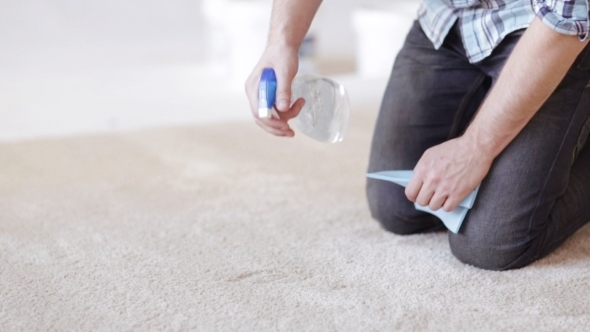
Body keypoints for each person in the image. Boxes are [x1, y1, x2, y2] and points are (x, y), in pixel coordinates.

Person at [244, 0, 590, 270]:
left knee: (490, 242)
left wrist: (476, 147)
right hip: (448, 19)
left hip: (551, 27)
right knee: (397, 206)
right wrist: (282, 43)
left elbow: (566, 13)